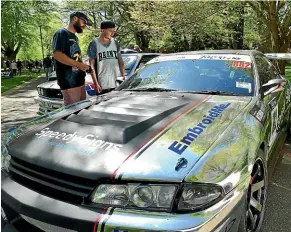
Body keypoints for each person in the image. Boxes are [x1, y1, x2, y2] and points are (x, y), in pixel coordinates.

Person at [52, 12, 92, 106]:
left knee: (82, 107)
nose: (85, 25)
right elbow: (57, 54)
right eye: (84, 22)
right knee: (73, 111)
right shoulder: (61, 33)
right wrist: (79, 65)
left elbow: (75, 56)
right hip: (69, 80)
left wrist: (84, 66)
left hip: (79, 79)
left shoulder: (74, 37)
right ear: (75, 19)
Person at [87, 21, 125, 95]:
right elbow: (91, 66)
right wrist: (95, 83)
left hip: (116, 83)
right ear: (102, 30)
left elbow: (121, 62)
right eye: (110, 31)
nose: (113, 33)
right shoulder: (94, 44)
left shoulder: (115, 43)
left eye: (114, 31)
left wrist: (123, 77)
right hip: (102, 84)